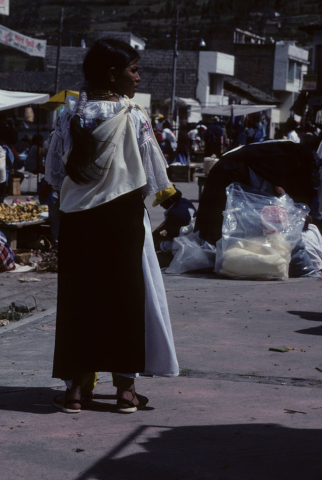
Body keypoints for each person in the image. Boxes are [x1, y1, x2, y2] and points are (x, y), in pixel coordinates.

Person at [45, 38, 179, 414]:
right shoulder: (133, 115)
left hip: (77, 221)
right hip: (122, 221)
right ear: (112, 73)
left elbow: (55, 174)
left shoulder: (69, 114)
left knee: (79, 302)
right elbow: (155, 172)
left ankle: (74, 392)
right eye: (133, 70)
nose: (138, 77)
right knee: (125, 301)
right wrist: (169, 201)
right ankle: (125, 393)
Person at [153, 184, 197, 267]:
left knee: (152, 259)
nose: (161, 205)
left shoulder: (175, 215)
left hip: (185, 249)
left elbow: (171, 244)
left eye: (162, 203)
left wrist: (158, 246)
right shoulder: (185, 202)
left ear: (170, 200)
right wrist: (157, 232)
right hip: (194, 239)